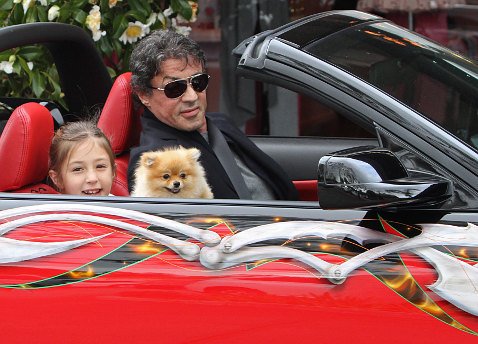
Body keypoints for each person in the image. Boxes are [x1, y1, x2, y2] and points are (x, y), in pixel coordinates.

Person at [127, 29, 298, 200]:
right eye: (175, 88)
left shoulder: (220, 123)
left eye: (198, 82)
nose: (192, 97)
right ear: (143, 94)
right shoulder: (156, 161)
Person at [48, 120, 116, 196]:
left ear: (113, 172)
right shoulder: (53, 208)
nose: (92, 178)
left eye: (100, 166)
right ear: (57, 179)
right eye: (78, 169)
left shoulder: (123, 206)